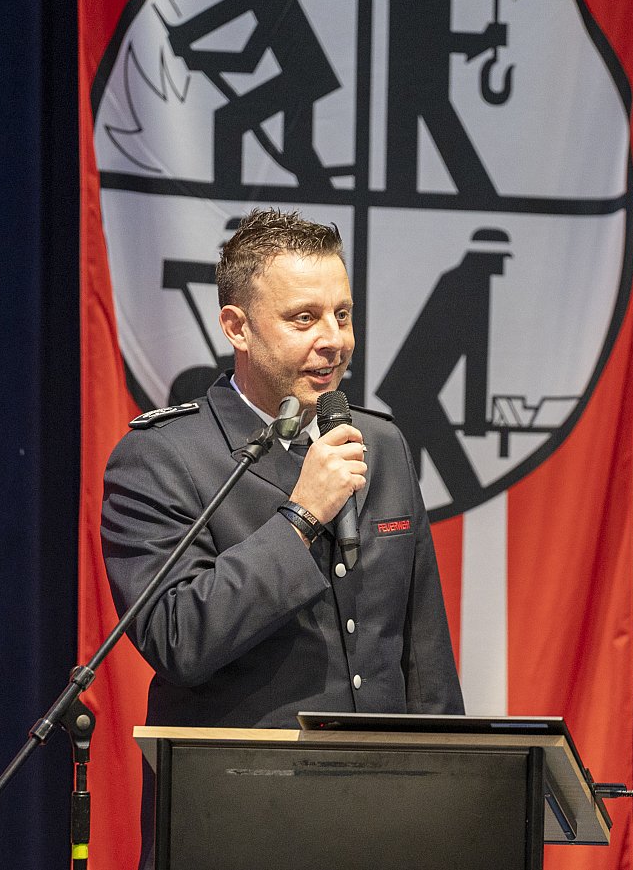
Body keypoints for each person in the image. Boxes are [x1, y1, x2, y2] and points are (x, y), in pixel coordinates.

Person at [100, 208, 464, 862]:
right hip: (236, 825)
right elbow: (178, 638)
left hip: (382, 826)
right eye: (304, 318)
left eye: (342, 314)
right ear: (236, 326)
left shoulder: (381, 443)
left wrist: (450, 811)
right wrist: (300, 516)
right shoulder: (161, 456)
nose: (334, 340)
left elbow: (424, 658)